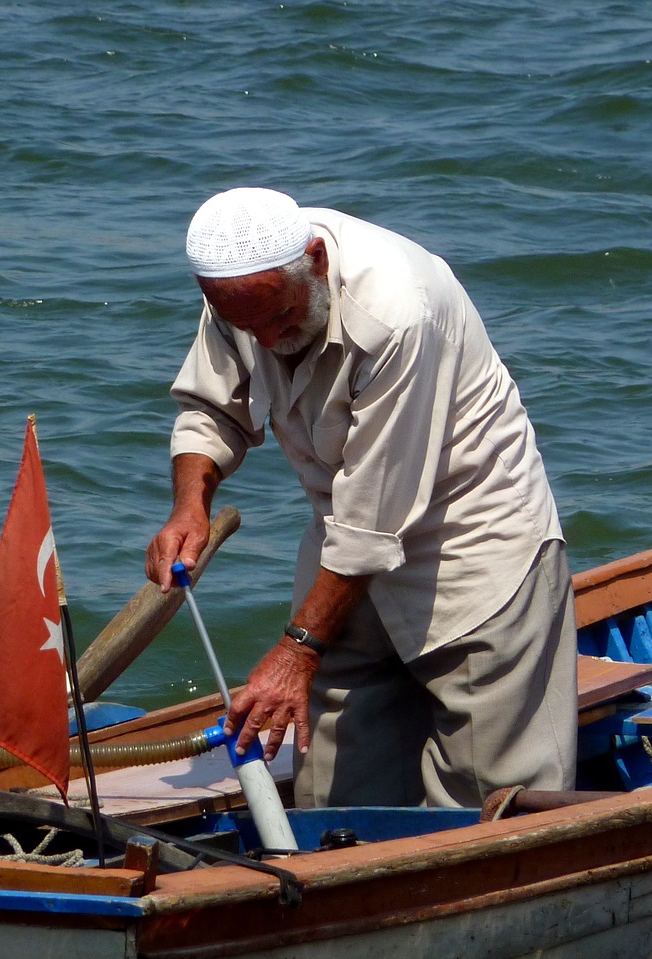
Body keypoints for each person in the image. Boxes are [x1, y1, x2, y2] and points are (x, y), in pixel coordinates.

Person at [145, 187, 577, 808]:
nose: (265, 341)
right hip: (343, 535)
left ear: (317, 262)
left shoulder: (400, 310)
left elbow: (376, 521)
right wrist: (192, 505)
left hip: (469, 539)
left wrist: (297, 649)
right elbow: (212, 407)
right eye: (247, 325)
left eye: (281, 319)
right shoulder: (243, 289)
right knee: (332, 780)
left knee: (491, 788)